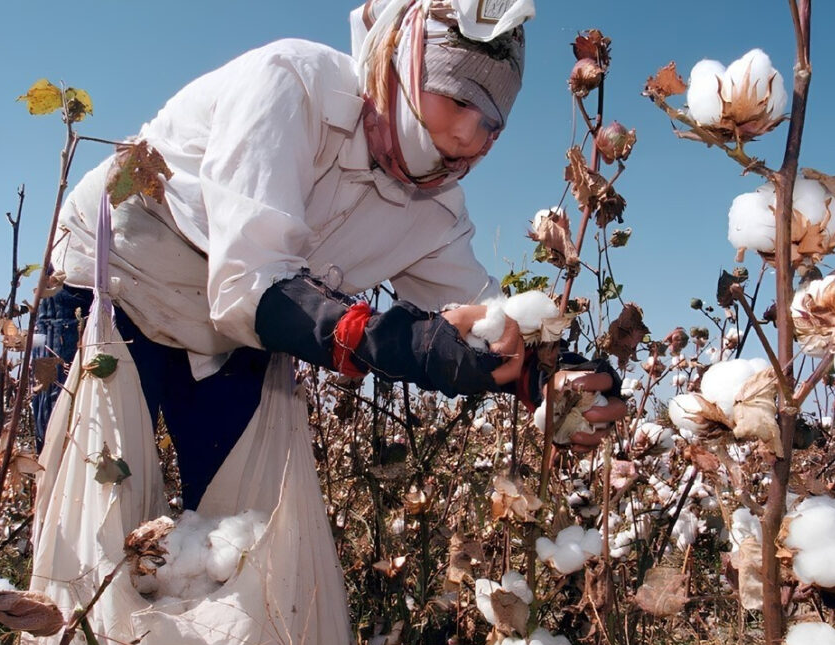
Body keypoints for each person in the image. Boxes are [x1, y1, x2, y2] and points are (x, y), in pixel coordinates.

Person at [33, 0, 626, 511]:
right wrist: (406, 345)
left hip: (237, 333)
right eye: (454, 95)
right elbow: (251, 285)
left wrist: (554, 375)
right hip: (114, 283)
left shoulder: (437, 210)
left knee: (233, 538)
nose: (471, 135)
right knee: (96, 512)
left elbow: (487, 320)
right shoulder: (291, 83)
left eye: (493, 118)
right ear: (401, 56)